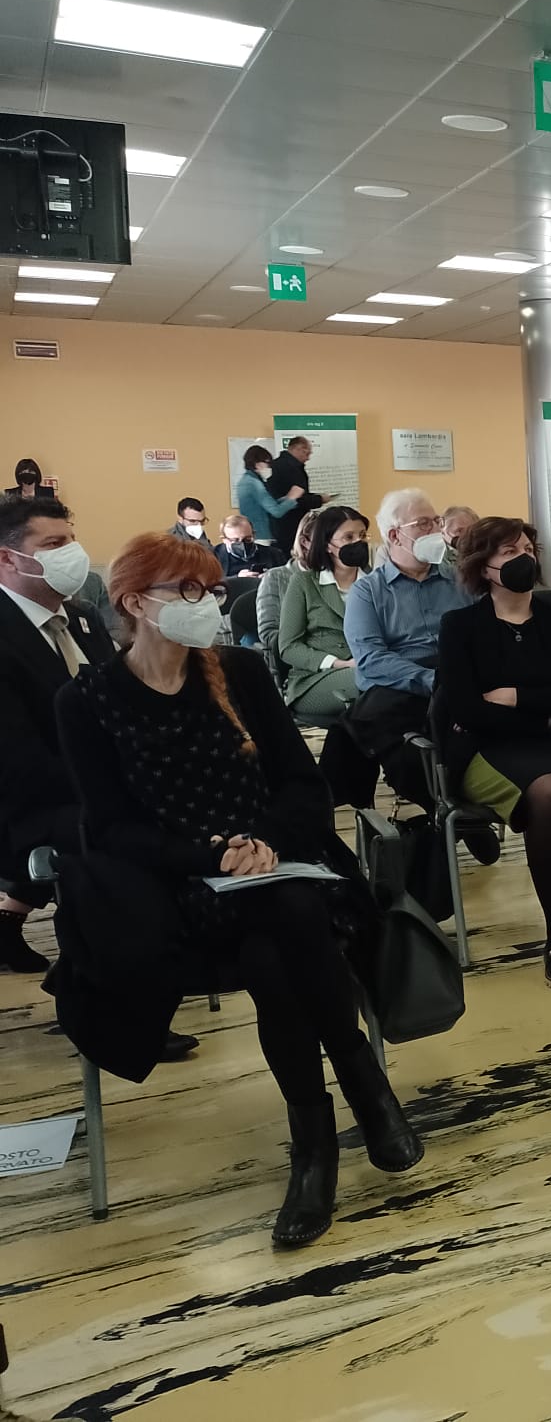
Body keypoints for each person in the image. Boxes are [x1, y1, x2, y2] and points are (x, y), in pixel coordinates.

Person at [54, 531, 422, 1247]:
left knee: (275, 936)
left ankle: (315, 1148)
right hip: (180, 883)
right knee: (281, 932)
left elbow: (303, 785)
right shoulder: (87, 700)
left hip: (285, 864)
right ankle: (362, 1085)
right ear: (136, 603)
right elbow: (112, 829)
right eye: (190, 591)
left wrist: (266, 844)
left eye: (213, 590)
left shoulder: (241, 672)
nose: (209, 604)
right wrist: (212, 856)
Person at [438, 518, 551, 990]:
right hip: (489, 750)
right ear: (484, 568)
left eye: (526, 548)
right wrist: (550, 699)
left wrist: (514, 696)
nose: (524, 558)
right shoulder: (460, 627)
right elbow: (467, 710)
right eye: (508, 552)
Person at [344, 490, 494, 857]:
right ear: (395, 535)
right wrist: (430, 681)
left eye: (436, 522)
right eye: (424, 524)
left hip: (457, 679)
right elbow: (371, 658)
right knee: (403, 748)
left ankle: (461, 808)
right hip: (401, 687)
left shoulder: (459, 580)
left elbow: (486, 633)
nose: (435, 530)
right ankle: (447, 808)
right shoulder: (367, 592)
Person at [0, 496, 110, 973]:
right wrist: (115, 788)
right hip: (29, 800)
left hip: (90, 783)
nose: (72, 554)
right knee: (127, 832)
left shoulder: (82, 619)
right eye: (53, 544)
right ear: (8, 559)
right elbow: (18, 761)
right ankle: (99, 976)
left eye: (71, 540)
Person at [278, 506, 370, 719]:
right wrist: (339, 663)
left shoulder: (376, 582)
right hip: (314, 679)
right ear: (328, 545)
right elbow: (288, 647)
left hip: (369, 667)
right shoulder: (304, 583)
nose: (358, 542)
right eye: (348, 537)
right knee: (378, 681)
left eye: (362, 535)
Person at [257, 505, 323, 665]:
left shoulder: (343, 574)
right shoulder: (276, 577)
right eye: (324, 540)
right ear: (305, 542)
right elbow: (269, 632)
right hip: (297, 661)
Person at [265, 436, 326, 557]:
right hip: (289, 525)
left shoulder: (278, 465)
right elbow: (296, 499)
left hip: (279, 525)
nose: (308, 458)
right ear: (298, 448)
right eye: (306, 453)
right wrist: (319, 499)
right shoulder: (290, 469)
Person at [236, 444, 302, 545]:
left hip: (255, 534)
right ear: (257, 464)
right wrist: (292, 498)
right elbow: (276, 511)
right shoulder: (253, 483)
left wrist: (287, 498)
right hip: (260, 536)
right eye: (267, 463)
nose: (270, 467)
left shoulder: (248, 480)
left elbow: (267, 504)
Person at [215, 514, 281, 579]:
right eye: (235, 540)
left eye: (248, 539)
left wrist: (271, 577)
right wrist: (237, 578)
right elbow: (212, 582)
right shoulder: (214, 556)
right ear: (224, 539)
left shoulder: (274, 553)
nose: (242, 544)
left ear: (254, 535)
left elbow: (284, 576)